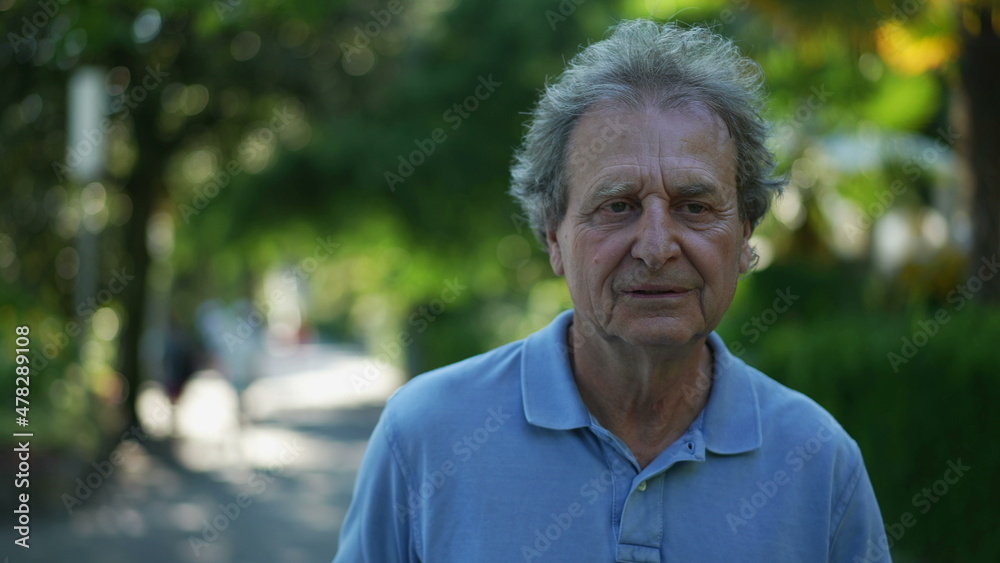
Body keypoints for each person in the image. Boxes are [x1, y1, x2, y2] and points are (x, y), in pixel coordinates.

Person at [333, 20, 889, 562]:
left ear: (744, 236)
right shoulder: (425, 437)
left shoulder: (819, 464)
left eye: (694, 207)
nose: (655, 247)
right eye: (617, 205)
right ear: (554, 235)